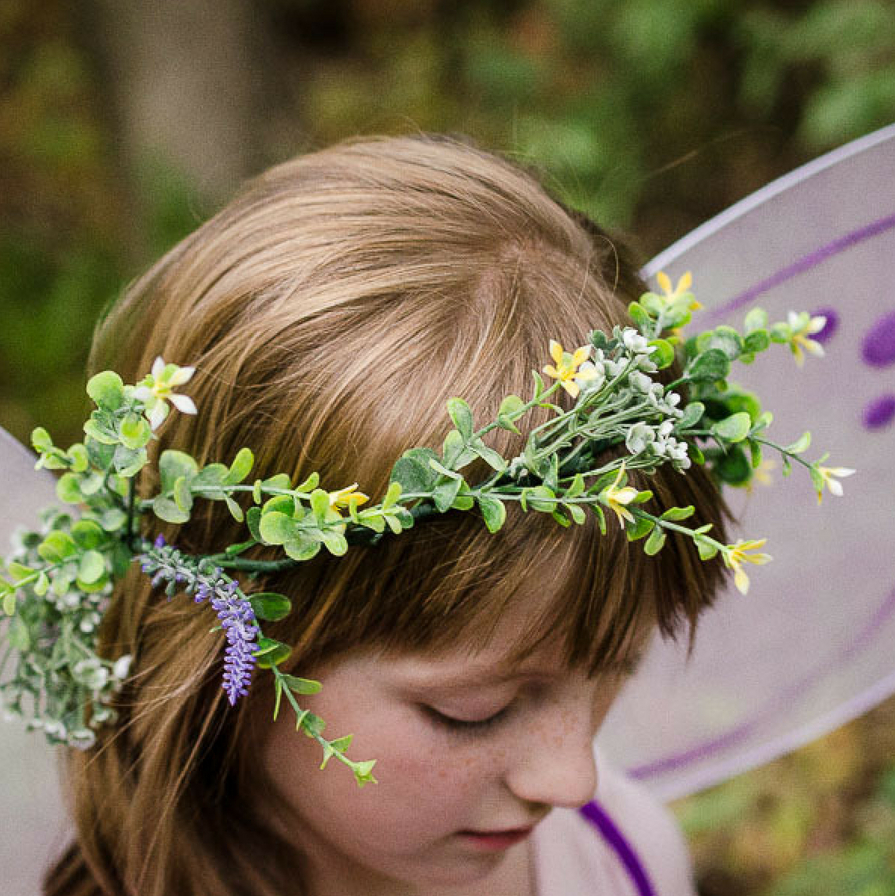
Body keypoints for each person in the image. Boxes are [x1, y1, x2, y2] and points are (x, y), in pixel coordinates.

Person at [40, 134, 729, 896]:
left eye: (618, 667)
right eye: (473, 711)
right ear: (221, 648)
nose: (572, 780)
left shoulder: (627, 862)